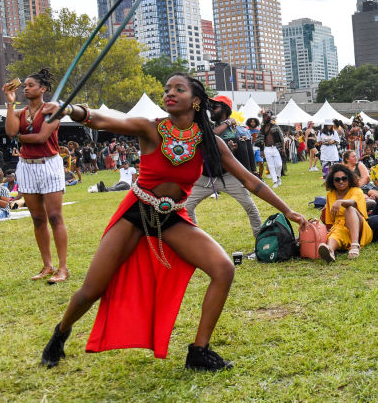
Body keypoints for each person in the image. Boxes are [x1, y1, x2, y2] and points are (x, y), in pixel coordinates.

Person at [38, 73, 307, 371]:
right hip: (137, 213)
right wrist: (71, 110)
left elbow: (251, 181)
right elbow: (102, 120)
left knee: (223, 269)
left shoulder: (210, 141)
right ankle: (61, 332)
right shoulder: (149, 128)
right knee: (92, 290)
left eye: (179, 89)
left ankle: (199, 351)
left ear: (195, 100)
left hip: (171, 217)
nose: (169, 93)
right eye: (167, 89)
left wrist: (289, 211)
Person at [4, 69, 70, 284]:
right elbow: (10, 132)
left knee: (54, 217)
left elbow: (41, 137)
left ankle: (63, 268)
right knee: (38, 219)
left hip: (49, 164)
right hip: (26, 166)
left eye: (31, 85)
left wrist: (18, 139)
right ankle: (47, 266)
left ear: (43, 89)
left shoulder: (52, 110)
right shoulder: (20, 112)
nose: (26, 88)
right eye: (26, 85)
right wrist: (10, 103)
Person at [184, 95, 262, 238]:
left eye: (215, 107)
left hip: (229, 176)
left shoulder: (238, 130)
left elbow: (247, 151)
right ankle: (195, 241)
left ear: (225, 109)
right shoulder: (207, 126)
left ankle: (261, 239)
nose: (211, 110)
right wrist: (227, 122)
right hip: (205, 178)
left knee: (250, 206)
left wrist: (252, 170)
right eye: (210, 107)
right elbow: (209, 137)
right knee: (186, 207)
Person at [318, 164, 374, 262]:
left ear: (349, 178)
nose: (341, 181)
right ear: (332, 181)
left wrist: (341, 202)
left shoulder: (356, 191)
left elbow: (353, 202)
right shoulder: (330, 195)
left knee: (349, 209)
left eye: (344, 178)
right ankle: (330, 250)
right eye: (337, 180)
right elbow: (330, 221)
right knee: (336, 234)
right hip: (339, 226)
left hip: (359, 228)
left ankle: (355, 245)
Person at [260, 111, 285, 188]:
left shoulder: (275, 126)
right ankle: (275, 182)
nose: (266, 118)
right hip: (267, 149)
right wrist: (261, 151)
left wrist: (283, 148)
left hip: (276, 148)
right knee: (271, 166)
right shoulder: (263, 128)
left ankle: (278, 177)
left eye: (267, 116)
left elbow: (282, 138)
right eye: (264, 117)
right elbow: (260, 140)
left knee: (279, 165)